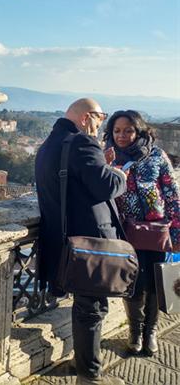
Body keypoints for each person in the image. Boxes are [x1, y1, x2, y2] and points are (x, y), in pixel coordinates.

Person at [35, 98, 127, 385]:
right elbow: (107, 187)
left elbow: (75, 184)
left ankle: (83, 364)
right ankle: (89, 376)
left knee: (84, 306)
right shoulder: (82, 143)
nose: (102, 125)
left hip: (60, 241)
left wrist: (101, 164)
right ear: (87, 117)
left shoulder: (49, 145)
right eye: (101, 118)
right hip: (88, 243)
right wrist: (119, 174)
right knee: (92, 309)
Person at [103, 110, 180, 356]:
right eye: (117, 131)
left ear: (139, 131)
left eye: (128, 130)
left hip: (157, 232)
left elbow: (172, 195)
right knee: (133, 283)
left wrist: (177, 234)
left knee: (156, 283)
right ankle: (135, 332)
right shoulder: (108, 158)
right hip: (125, 233)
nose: (122, 135)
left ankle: (151, 331)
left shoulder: (156, 156)